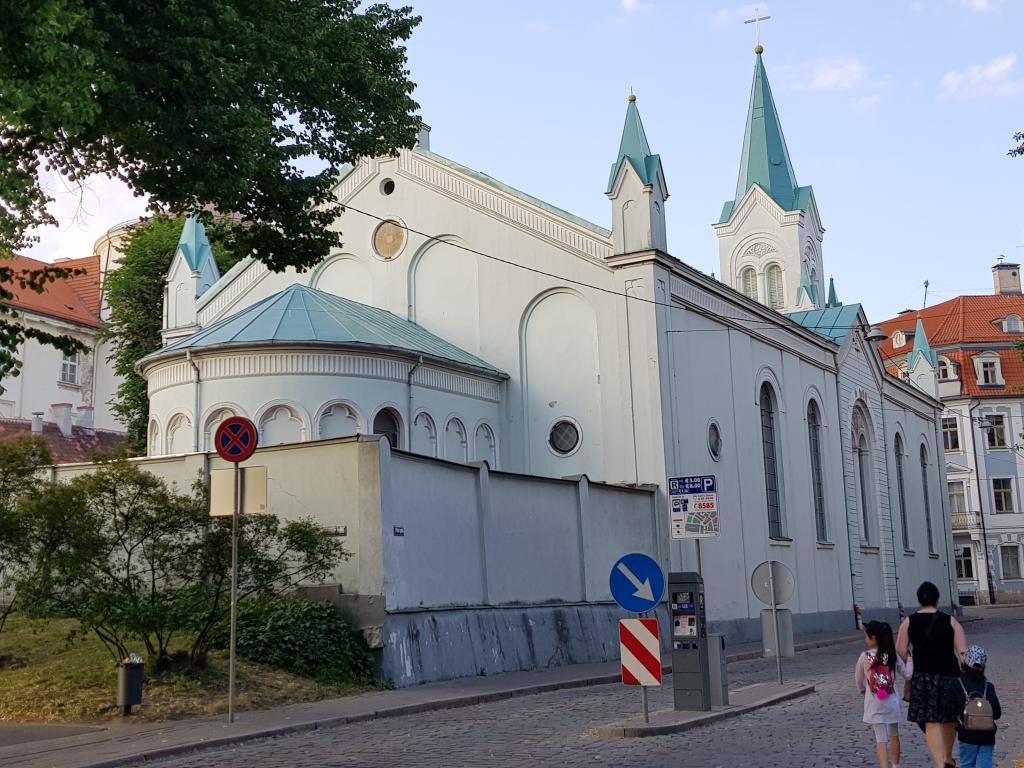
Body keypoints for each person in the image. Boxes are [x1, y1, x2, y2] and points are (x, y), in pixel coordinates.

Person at [897, 581, 968, 768]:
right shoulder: (950, 621)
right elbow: (963, 653)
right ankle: (947, 756)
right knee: (949, 719)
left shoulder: (909, 622)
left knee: (930, 722)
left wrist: (912, 658)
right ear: (937, 599)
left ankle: (939, 764)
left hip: (923, 676)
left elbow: (901, 649)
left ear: (919, 599)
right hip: (949, 676)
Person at [856, 620, 913, 768]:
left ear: (873, 638)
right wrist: (910, 658)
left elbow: (858, 679)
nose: (865, 639)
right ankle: (896, 765)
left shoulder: (865, 656)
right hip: (891, 701)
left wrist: (862, 690)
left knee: (880, 739)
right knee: (894, 734)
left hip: (874, 702)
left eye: (866, 636)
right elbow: (907, 674)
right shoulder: (891, 656)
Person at [947, 645, 1001, 768]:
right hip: (987, 735)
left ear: (965, 662)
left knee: (966, 763)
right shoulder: (989, 687)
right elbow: (997, 713)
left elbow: (949, 710)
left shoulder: (956, 684)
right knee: (985, 764)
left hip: (967, 734)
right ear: (983, 667)